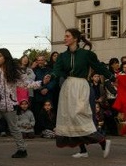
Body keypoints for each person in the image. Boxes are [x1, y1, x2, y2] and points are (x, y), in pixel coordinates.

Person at [42, 29, 114, 158]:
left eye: (67, 36)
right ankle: (83, 150)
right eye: (65, 36)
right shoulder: (62, 56)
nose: (65, 38)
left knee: (80, 116)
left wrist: (111, 77)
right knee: (70, 118)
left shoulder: (86, 54)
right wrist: (51, 76)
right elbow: (57, 70)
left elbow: (99, 67)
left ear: (75, 38)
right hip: (68, 87)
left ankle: (103, 142)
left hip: (81, 86)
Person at [0, 48, 41, 159]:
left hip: (10, 105)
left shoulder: (14, 71)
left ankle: (22, 149)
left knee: (13, 128)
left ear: (6, 57)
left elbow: (26, 83)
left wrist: (40, 83)